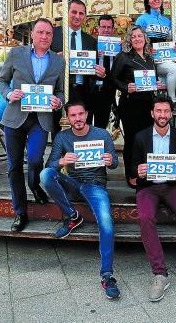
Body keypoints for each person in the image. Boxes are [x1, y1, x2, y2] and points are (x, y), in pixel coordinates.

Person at [39, 100, 120, 299]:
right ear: (67, 118)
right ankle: (72, 215)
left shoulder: (102, 134)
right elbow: (51, 164)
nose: (77, 119)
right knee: (46, 175)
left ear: (86, 114)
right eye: (73, 115)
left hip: (95, 184)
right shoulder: (62, 136)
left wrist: (111, 160)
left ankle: (107, 275)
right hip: (73, 182)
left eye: (80, 114)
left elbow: (115, 163)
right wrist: (62, 161)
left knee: (107, 224)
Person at [131, 94, 176, 302]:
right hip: (148, 187)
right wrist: (139, 170)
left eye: (166, 111)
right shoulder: (140, 137)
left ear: (171, 113)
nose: (162, 115)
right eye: (159, 111)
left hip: (173, 186)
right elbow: (132, 167)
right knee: (145, 217)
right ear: (152, 113)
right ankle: (160, 274)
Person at [0, 17, 65, 232]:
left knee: (35, 160)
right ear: (33, 34)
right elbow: (1, 81)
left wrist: (58, 101)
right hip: (15, 118)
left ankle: (34, 185)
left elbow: (61, 91)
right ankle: (20, 212)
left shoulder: (58, 61)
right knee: (14, 166)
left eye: (48, 34)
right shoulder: (16, 54)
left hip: (41, 119)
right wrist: (9, 94)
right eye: (41, 32)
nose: (44, 36)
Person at [112, 25, 164, 187]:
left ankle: (146, 172)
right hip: (131, 104)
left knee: (146, 140)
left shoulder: (149, 58)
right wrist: (126, 87)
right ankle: (131, 174)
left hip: (148, 104)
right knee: (132, 141)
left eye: (139, 36)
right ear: (129, 39)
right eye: (133, 36)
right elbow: (113, 78)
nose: (137, 39)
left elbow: (151, 80)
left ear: (145, 38)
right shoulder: (124, 56)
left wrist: (156, 84)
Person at [50, 0, 106, 138]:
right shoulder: (53, 34)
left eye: (81, 13)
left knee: (83, 133)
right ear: (67, 13)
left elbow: (91, 70)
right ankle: (61, 158)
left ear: (85, 17)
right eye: (74, 12)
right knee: (59, 132)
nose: (77, 16)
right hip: (60, 91)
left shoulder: (91, 41)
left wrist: (100, 73)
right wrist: (55, 59)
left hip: (83, 92)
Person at [135, 0, 176, 109]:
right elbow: (135, 38)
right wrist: (147, 49)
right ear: (147, 1)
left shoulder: (167, 21)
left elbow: (172, 39)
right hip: (148, 58)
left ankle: (172, 99)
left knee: (174, 68)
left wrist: (175, 47)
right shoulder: (142, 19)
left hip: (162, 58)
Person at [89, 14, 118, 128]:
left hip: (107, 91)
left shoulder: (118, 48)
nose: (106, 30)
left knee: (101, 126)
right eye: (103, 27)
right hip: (91, 90)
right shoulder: (91, 44)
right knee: (86, 125)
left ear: (113, 29)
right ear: (98, 29)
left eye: (109, 27)